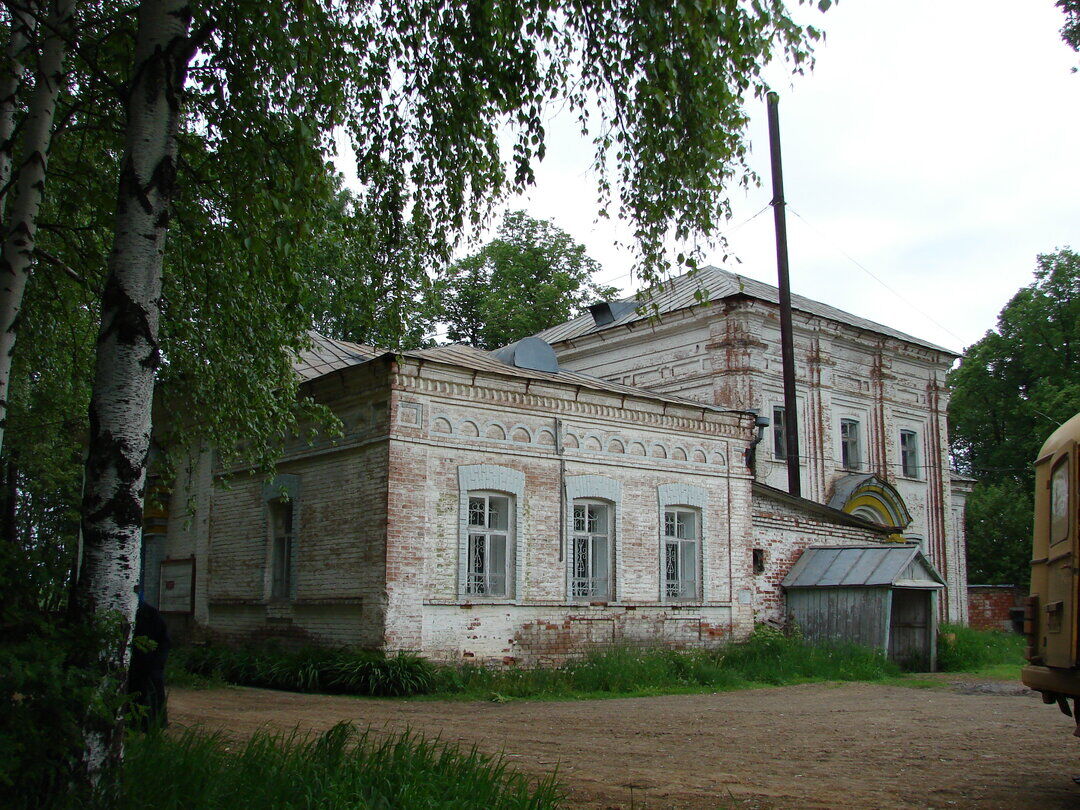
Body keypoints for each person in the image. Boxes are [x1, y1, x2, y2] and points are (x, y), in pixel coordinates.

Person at [127, 594, 171, 731]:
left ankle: (150, 725)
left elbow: (163, 642)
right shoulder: (144, 613)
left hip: (147, 665)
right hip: (137, 665)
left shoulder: (149, 615)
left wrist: (157, 664)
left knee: (150, 692)